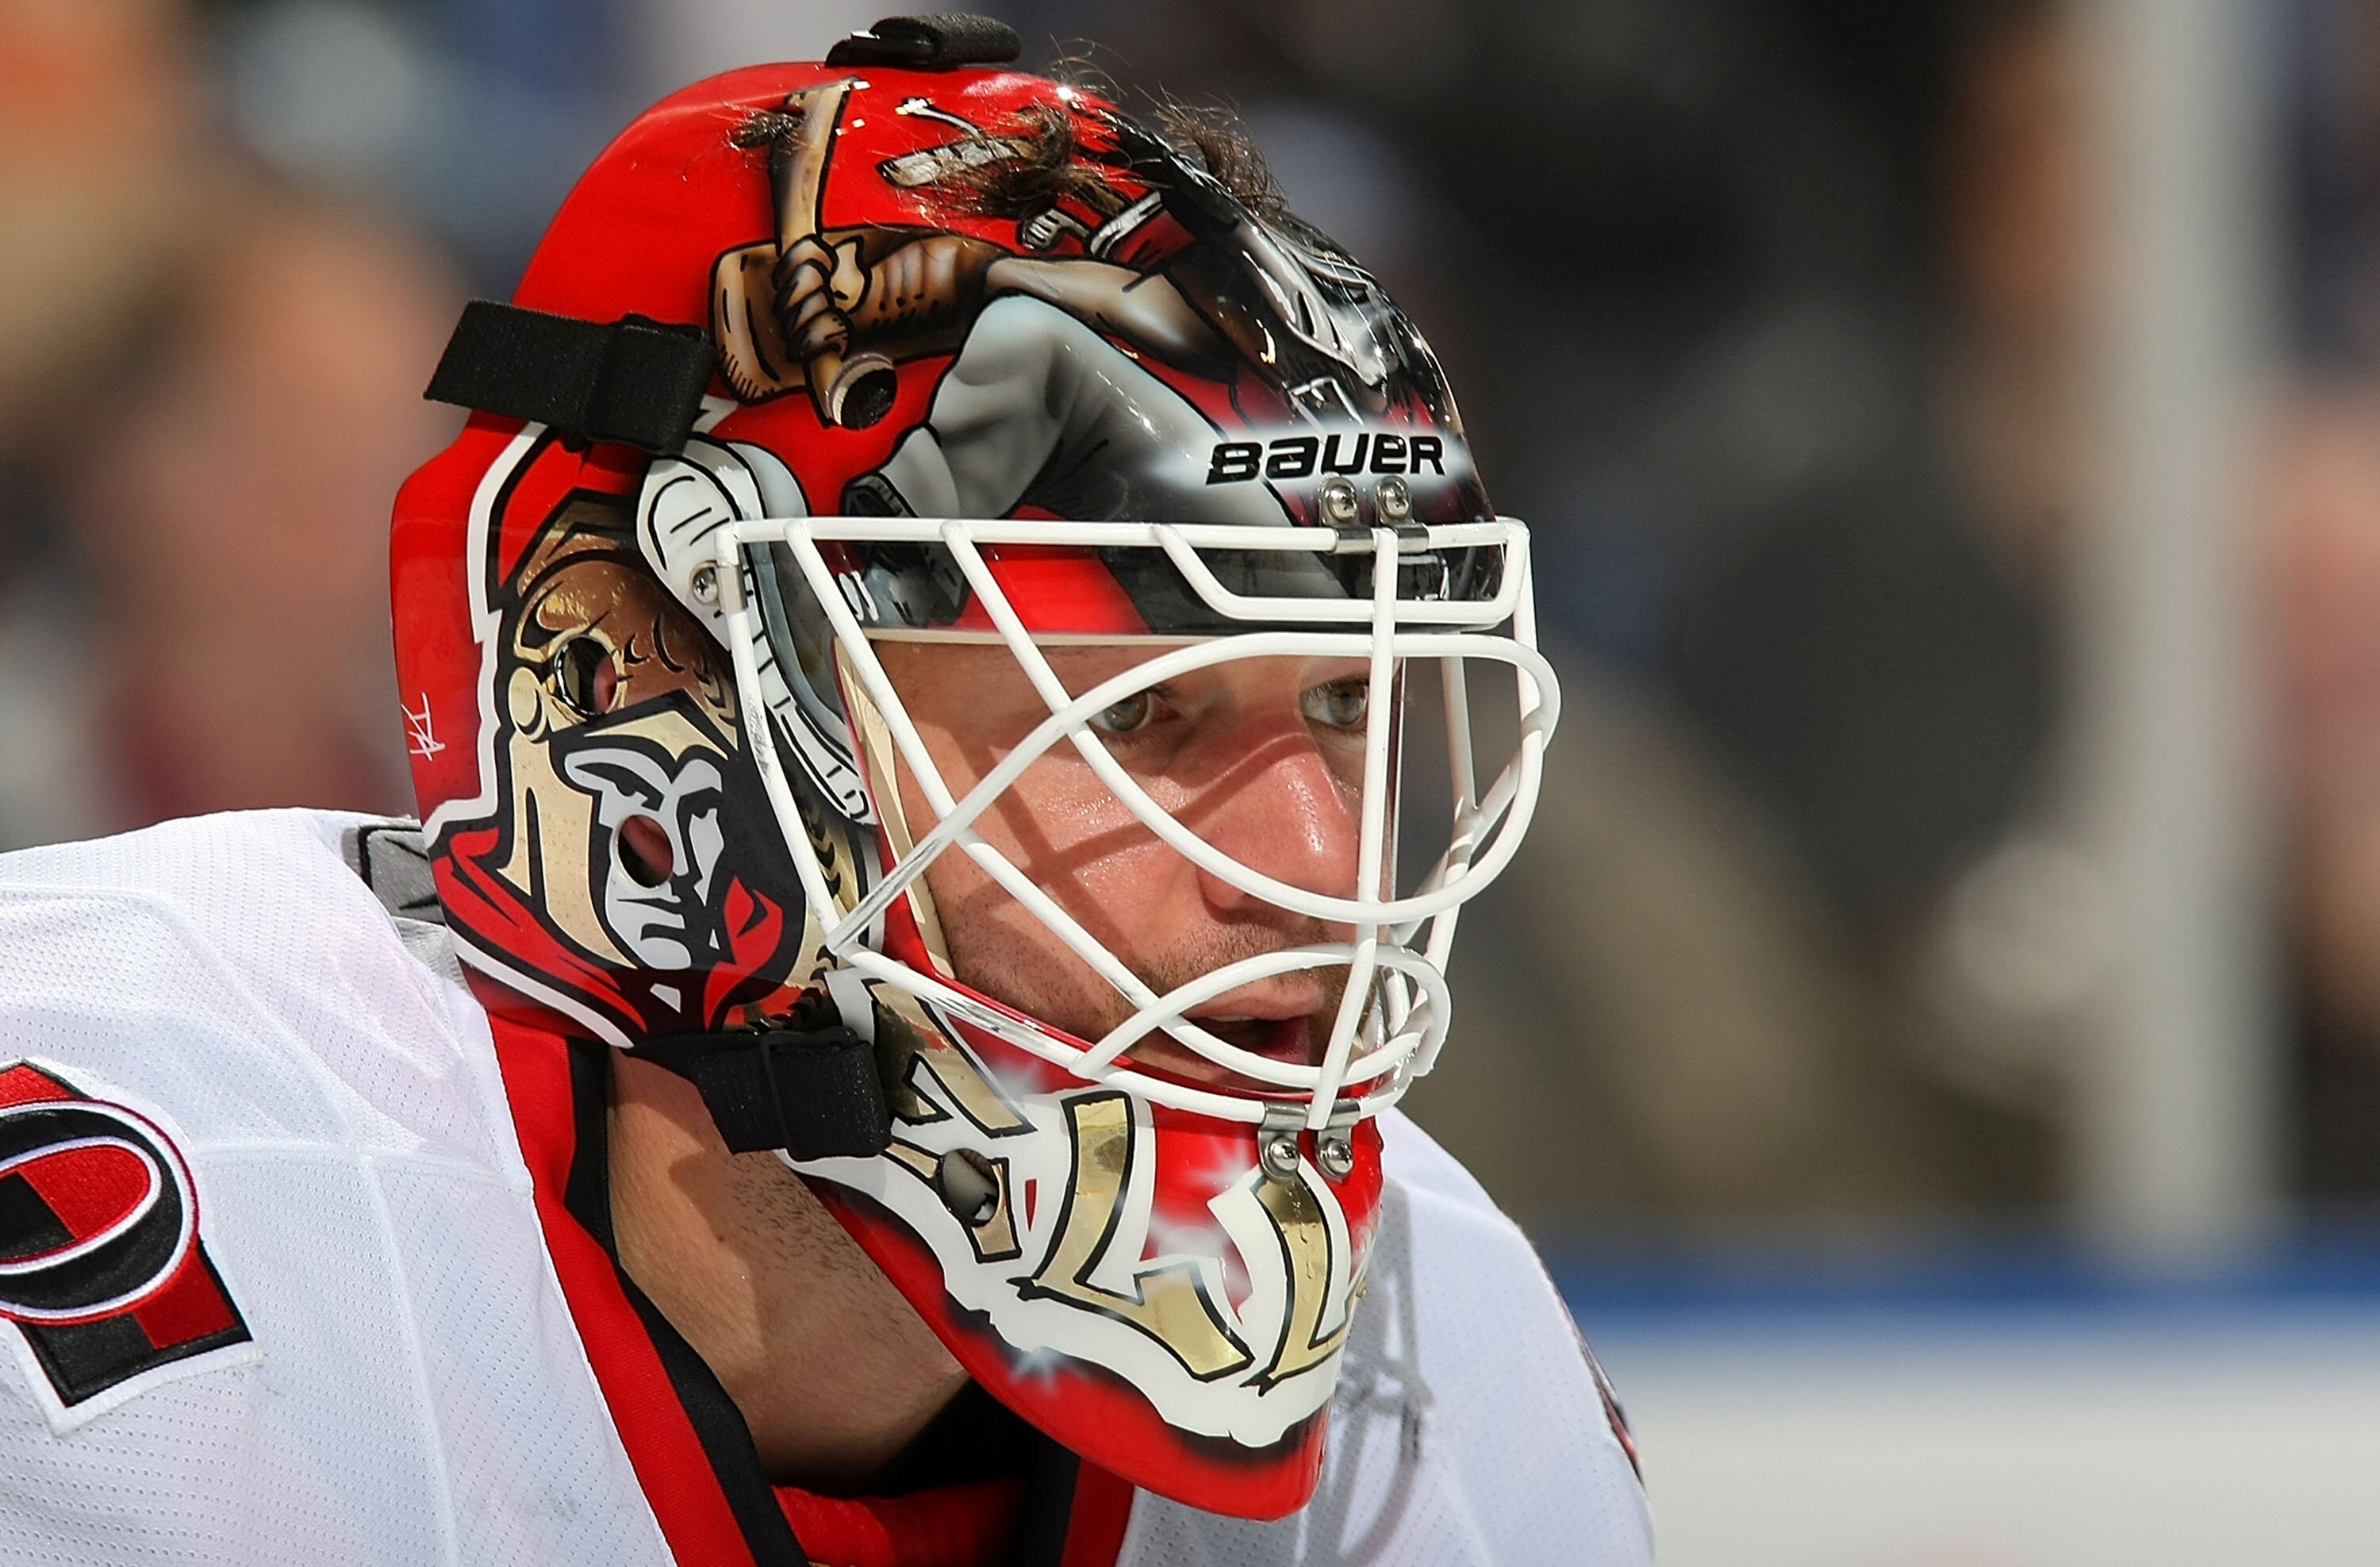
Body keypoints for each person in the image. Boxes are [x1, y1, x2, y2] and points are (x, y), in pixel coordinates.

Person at [0, 16, 1651, 1564]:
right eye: (1146, 725)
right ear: (692, 691)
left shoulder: (1450, 1366)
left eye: (1352, 706)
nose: (1314, 859)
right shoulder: (143, 1188)